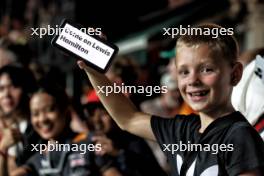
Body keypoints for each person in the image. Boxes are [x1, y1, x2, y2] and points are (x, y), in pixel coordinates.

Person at [77, 23, 264, 176]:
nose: (193, 80)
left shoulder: (240, 136)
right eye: (184, 72)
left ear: (235, 74)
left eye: (206, 69)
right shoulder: (180, 129)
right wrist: (94, 72)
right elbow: (128, 118)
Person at [11, 81, 122, 176]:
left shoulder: (90, 143)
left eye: (49, 110)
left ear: (66, 111)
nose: (42, 119)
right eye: (35, 114)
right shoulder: (37, 156)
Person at [83, 102, 167, 176]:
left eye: (102, 114)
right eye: (92, 119)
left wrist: (117, 153)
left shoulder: (130, 136)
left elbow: (148, 168)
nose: (97, 121)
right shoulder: (89, 146)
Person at [0, 65, 39, 176]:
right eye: (1, 89)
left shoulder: (39, 126)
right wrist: (3, 147)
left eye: (12, 87)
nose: (6, 95)